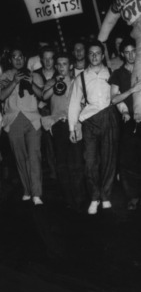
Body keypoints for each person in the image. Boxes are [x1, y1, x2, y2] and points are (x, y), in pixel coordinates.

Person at [68, 40, 124, 214]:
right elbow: (74, 104)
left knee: (109, 160)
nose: (94, 56)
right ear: (87, 55)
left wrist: (126, 111)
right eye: (91, 53)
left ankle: (106, 196)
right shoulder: (81, 77)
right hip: (90, 121)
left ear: (102, 55)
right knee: (90, 162)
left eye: (97, 53)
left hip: (110, 117)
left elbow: (119, 96)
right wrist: (72, 128)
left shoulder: (112, 73)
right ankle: (94, 197)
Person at [109, 38, 141, 210]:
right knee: (128, 160)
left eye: (133, 51)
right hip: (128, 120)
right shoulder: (118, 73)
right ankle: (132, 196)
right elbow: (113, 99)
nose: (130, 55)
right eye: (126, 52)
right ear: (122, 54)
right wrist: (132, 90)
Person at [42, 52, 87, 212]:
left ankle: (80, 198)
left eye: (65, 64)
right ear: (56, 67)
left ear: (71, 66)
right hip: (59, 125)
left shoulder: (77, 81)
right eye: (59, 64)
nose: (62, 67)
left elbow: (83, 103)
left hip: (74, 123)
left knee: (76, 162)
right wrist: (55, 84)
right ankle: (69, 199)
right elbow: (43, 96)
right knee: (62, 164)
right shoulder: (51, 82)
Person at [0, 47, 44, 205]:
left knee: (34, 157)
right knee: (21, 158)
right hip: (13, 120)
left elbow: (42, 95)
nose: (18, 60)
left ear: (24, 59)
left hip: (33, 120)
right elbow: (1, 96)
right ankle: (27, 190)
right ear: (10, 60)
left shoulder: (35, 75)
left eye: (20, 57)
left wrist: (31, 83)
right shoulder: (5, 76)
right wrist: (14, 81)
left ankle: (37, 193)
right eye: (14, 57)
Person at [33, 46, 58, 181]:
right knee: (48, 144)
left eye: (51, 58)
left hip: (58, 112)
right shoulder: (35, 74)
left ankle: (62, 171)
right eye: (45, 58)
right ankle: (53, 173)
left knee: (60, 144)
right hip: (42, 113)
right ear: (41, 60)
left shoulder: (60, 72)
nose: (48, 61)